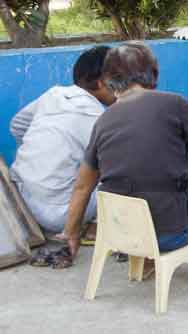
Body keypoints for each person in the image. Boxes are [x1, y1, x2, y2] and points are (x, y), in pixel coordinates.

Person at [58, 42, 188, 284]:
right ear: (154, 74)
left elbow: (82, 187)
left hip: (122, 235)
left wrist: (71, 234)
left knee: (141, 184)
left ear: (107, 81)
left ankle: (147, 262)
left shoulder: (103, 121)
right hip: (170, 234)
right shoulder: (174, 104)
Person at [9, 46, 115, 239]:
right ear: (102, 83)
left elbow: (17, 126)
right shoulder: (97, 117)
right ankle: (93, 227)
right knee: (124, 175)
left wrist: (39, 155)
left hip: (21, 198)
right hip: (59, 215)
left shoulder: (54, 95)